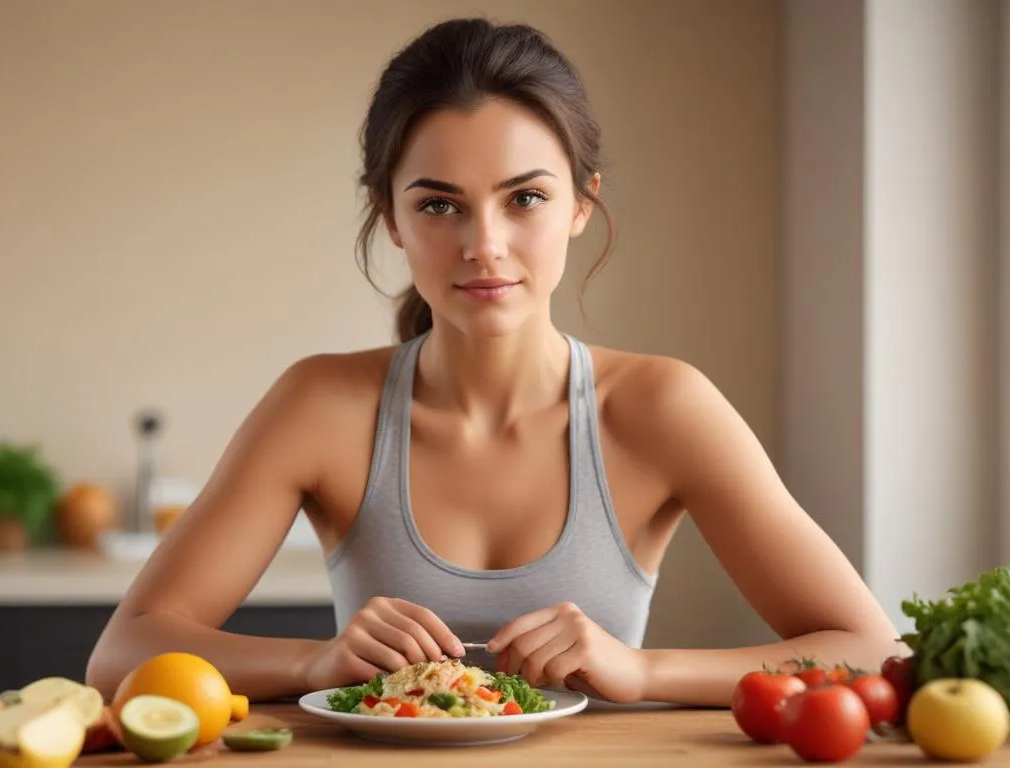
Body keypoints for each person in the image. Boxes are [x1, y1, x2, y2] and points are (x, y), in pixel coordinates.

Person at [85, 17, 900, 708]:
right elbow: (124, 653)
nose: (484, 246)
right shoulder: (321, 404)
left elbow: (869, 647)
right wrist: (312, 661)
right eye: (439, 204)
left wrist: (642, 669)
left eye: (526, 198)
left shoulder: (662, 406)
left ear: (582, 203)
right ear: (392, 219)